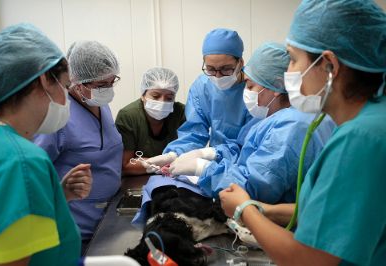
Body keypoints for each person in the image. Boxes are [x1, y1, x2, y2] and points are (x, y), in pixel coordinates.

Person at [220, 0, 386, 265]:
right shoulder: (373, 121)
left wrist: (245, 209)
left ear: (329, 65)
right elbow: (337, 211)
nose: (288, 73)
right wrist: (269, 210)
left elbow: (309, 259)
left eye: (293, 59)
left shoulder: (361, 139)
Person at [169, 42, 335, 202]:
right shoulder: (278, 118)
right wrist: (208, 154)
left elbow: (252, 188)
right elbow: (244, 149)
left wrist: (203, 169)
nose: (245, 93)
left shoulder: (291, 127)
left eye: (250, 85)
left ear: (276, 86)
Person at [0, 23, 81, 265]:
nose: (66, 98)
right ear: (43, 80)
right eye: (65, 86)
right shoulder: (22, 160)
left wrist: (59, 195)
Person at [34, 40, 124, 252]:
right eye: (101, 85)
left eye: (112, 82)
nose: (108, 90)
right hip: (77, 231)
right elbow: (35, 175)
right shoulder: (59, 115)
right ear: (75, 81)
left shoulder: (101, 105)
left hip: (108, 221)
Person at [142, 28, 251, 170]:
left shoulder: (254, 88)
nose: (217, 76)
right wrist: (174, 154)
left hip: (247, 162)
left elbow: (251, 141)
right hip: (216, 163)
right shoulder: (202, 86)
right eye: (211, 69)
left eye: (226, 69)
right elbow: (194, 131)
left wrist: (208, 153)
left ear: (240, 63)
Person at [115, 67, 185, 176]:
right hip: (136, 180)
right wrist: (166, 161)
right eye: (156, 96)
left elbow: (188, 156)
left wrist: (150, 163)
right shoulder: (128, 116)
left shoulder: (180, 113)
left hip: (174, 177)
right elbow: (126, 165)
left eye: (169, 98)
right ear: (143, 95)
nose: (162, 102)